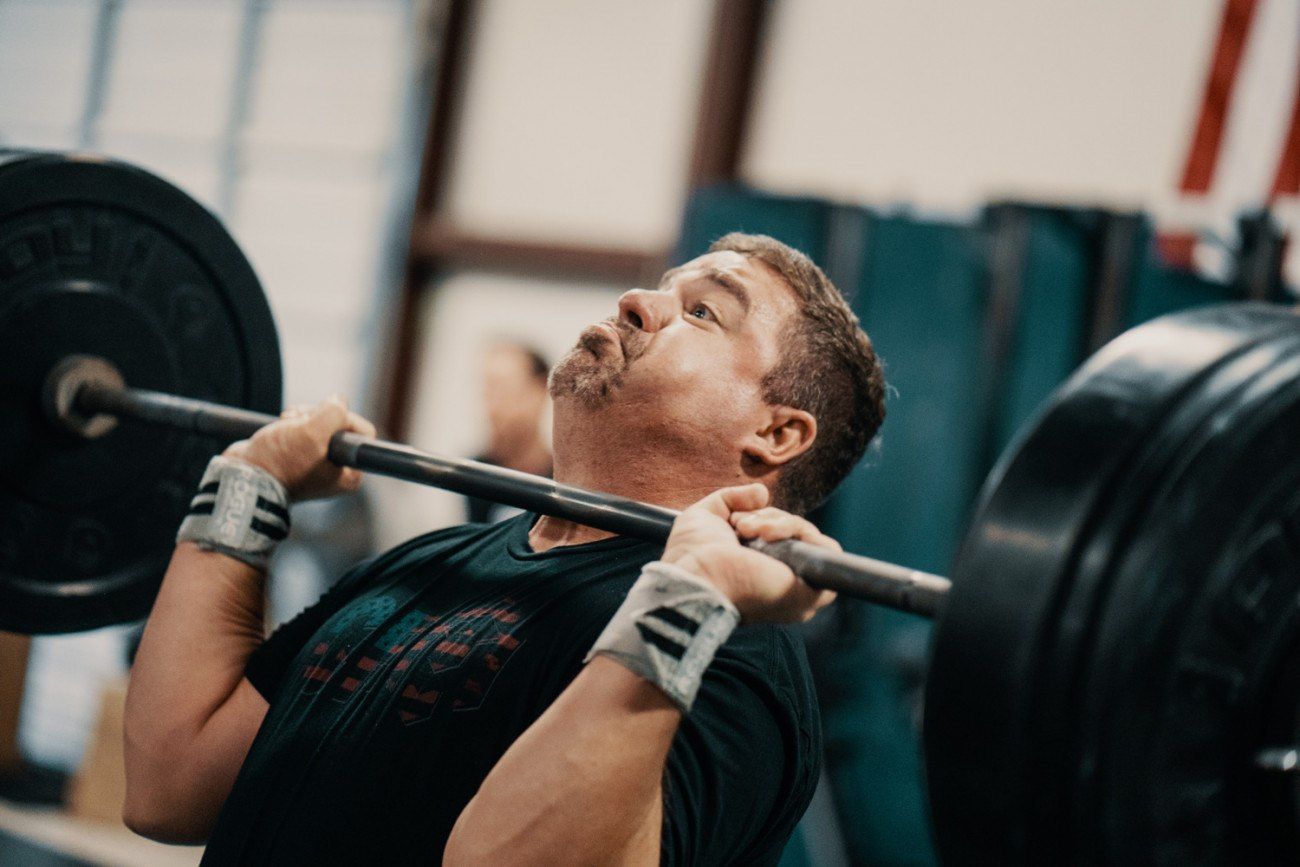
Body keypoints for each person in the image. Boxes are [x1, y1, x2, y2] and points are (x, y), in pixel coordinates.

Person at [120, 233, 886, 865]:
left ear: (776, 432)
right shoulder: (430, 563)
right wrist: (245, 487)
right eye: (661, 285)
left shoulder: (731, 657)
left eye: (702, 310)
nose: (636, 302)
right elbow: (170, 778)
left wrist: (686, 600)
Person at [463, 341, 552, 524]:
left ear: (540, 390)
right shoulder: (472, 474)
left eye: (503, 389)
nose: (492, 408)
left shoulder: (564, 482)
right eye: (488, 391)